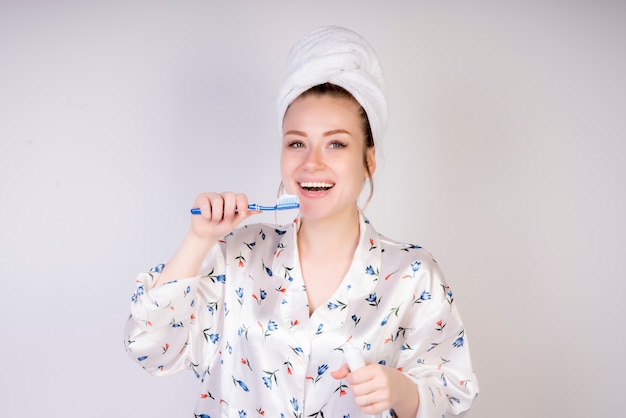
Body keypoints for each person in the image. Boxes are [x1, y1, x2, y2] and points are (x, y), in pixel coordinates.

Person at [124, 25, 478, 417]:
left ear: (369, 159)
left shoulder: (413, 276)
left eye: (336, 143)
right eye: (297, 142)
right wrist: (199, 238)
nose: (312, 162)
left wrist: (401, 390)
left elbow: (451, 398)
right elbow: (151, 348)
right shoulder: (238, 255)